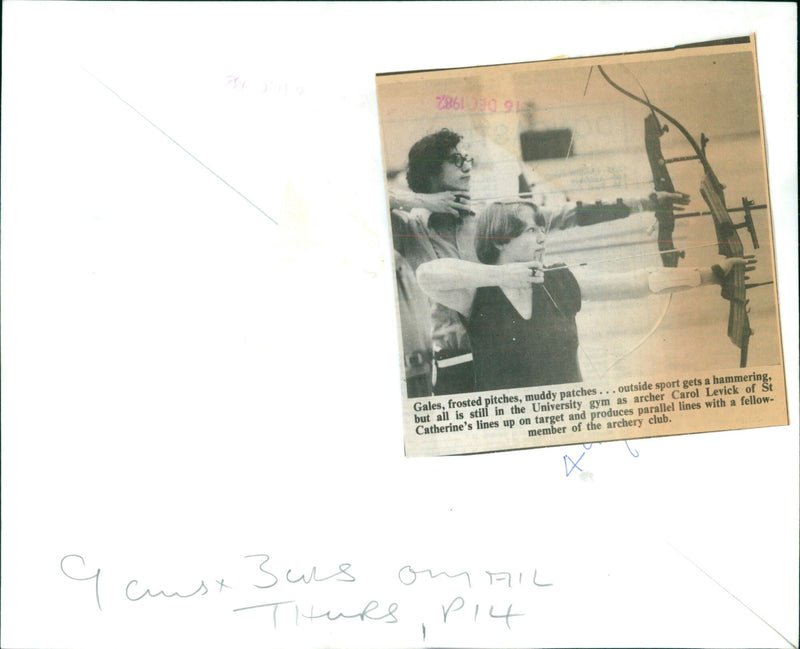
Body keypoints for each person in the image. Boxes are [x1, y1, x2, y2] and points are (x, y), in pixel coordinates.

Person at [391, 128, 689, 396]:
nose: (467, 165)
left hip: (506, 357)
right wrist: (423, 202)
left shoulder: (490, 217)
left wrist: (642, 203)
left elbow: (563, 214)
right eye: (456, 160)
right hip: (454, 363)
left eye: (468, 158)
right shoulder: (408, 228)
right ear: (431, 171)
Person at [415, 200, 752, 392]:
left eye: (541, 229)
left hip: (570, 411)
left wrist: (708, 274)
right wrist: (501, 275)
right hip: (509, 423)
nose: (542, 237)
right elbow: (426, 276)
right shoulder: (477, 293)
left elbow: (637, 281)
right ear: (501, 240)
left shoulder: (558, 280)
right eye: (531, 230)